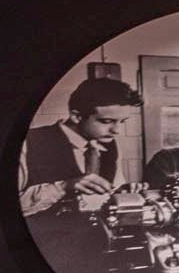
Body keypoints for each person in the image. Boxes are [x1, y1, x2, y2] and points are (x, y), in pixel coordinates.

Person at [18, 76, 145, 220]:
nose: (117, 130)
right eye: (107, 121)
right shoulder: (28, 143)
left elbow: (112, 189)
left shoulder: (110, 144)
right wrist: (63, 187)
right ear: (76, 116)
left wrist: (124, 193)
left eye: (122, 121)